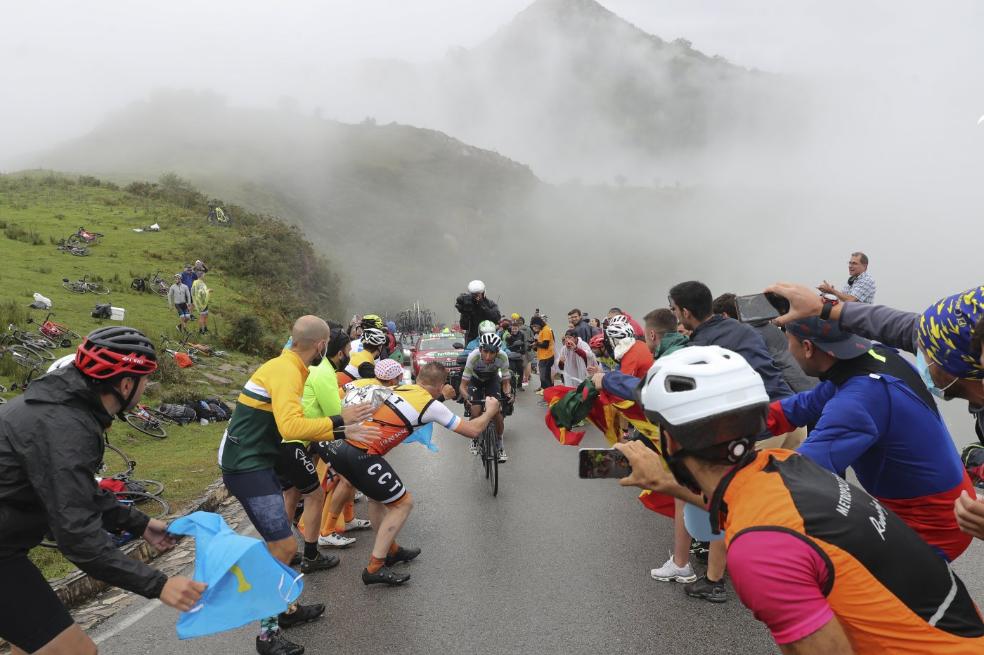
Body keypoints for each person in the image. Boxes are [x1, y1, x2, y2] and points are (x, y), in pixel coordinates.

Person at [617, 345, 984, 654]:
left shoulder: (760, 552)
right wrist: (668, 483)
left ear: (672, 442)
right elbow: (742, 508)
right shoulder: (786, 465)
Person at [0, 327, 206, 655]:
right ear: (126, 384)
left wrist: (138, 523)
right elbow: (79, 539)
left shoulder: (60, 407)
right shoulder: (65, 427)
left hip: (8, 546)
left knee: (31, 646)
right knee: (76, 651)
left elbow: (79, 493)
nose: (146, 387)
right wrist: (160, 584)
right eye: (145, 380)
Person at [220, 316, 378, 655]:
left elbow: (291, 425)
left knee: (283, 542)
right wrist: (340, 422)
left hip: (262, 455)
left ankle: (286, 610)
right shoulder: (286, 370)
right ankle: (266, 637)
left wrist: (341, 430)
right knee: (283, 548)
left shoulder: (288, 365)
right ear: (321, 345)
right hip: (247, 464)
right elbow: (291, 424)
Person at [768, 315, 975, 560]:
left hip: (934, 524)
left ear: (807, 348)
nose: (788, 351)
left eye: (787, 342)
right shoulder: (873, 357)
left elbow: (800, 473)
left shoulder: (858, 402)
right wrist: (743, 421)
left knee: (846, 583)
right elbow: (807, 404)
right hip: (947, 499)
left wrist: (732, 480)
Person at [313, 362, 500, 586]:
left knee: (377, 497)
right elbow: (472, 430)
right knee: (403, 503)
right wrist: (490, 411)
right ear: (441, 386)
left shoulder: (400, 388)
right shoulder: (430, 404)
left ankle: (391, 550)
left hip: (334, 444)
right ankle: (375, 567)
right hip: (359, 452)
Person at [667, 281, 793, 602]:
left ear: (685, 311)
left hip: (761, 427)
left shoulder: (699, 348)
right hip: (790, 418)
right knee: (781, 500)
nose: (674, 315)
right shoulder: (738, 328)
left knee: (725, 500)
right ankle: (788, 568)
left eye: (673, 309)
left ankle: (714, 581)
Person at [301, 328, 370, 549]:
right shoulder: (323, 373)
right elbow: (337, 414)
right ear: (340, 353)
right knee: (347, 478)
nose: (350, 354)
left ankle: (347, 520)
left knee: (348, 477)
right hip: (315, 433)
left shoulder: (324, 369)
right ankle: (326, 531)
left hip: (319, 430)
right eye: (348, 349)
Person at [712, 293, 817, 392]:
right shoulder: (769, 327)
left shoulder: (748, 336)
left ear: (725, 316)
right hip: (812, 383)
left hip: (798, 390)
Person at [459, 333, 513, 462]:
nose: (488, 356)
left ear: (498, 352)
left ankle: (500, 445)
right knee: (476, 410)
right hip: (475, 380)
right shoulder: (473, 356)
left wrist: (508, 394)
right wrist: (468, 398)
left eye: (492, 353)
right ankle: (475, 437)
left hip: (492, 379)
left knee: (497, 414)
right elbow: (463, 386)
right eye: (485, 351)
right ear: (480, 349)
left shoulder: (503, 357)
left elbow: (506, 383)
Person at [529, 315, 555, 395]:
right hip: (544, 356)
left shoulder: (546, 330)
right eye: (533, 326)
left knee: (544, 377)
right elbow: (542, 344)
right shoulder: (542, 330)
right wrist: (535, 345)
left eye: (535, 326)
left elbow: (545, 345)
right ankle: (546, 391)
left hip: (547, 357)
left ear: (539, 323)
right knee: (545, 377)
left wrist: (536, 344)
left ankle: (548, 392)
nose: (534, 328)